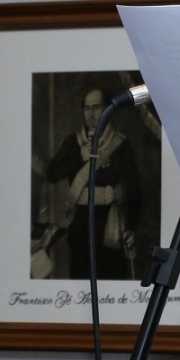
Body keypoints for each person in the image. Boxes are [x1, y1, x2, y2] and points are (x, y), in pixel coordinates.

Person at [45, 88, 140, 280]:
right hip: (80, 224)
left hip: (110, 224)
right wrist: (78, 158)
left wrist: (131, 227)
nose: (90, 113)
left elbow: (135, 190)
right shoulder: (73, 143)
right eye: (87, 108)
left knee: (111, 278)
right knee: (81, 278)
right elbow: (52, 174)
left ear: (107, 109)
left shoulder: (120, 144)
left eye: (96, 108)